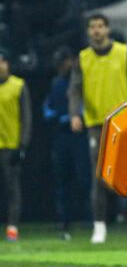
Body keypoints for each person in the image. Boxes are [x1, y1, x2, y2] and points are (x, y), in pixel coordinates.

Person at [68, 14, 127, 243]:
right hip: (96, 124)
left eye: (101, 26)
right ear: (88, 31)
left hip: (124, 122)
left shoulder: (124, 52)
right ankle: (99, 225)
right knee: (99, 175)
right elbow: (75, 89)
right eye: (93, 27)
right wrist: (74, 114)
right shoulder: (83, 58)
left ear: (108, 29)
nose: (97, 30)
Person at [43, 46, 92, 240]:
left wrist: (77, 116)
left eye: (64, 61)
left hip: (79, 133)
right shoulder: (56, 83)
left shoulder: (80, 81)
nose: (61, 66)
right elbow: (47, 107)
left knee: (84, 176)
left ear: (72, 61)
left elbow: (85, 103)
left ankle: (92, 218)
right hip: (61, 135)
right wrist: (57, 117)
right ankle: (63, 220)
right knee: (61, 178)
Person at [0, 47, 31, 241]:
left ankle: (12, 227)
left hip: (10, 145)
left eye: (2, 61)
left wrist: (22, 145)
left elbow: (26, 117)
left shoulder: (18, 85)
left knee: (12, 189)